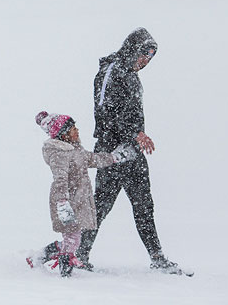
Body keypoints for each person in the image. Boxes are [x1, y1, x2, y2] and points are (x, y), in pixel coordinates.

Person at [75, 27, 182, 273]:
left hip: (132, 153)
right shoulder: (110, 71)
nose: (146, 61)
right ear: (131, 49)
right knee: (100, 205)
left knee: (144, 205)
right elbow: (105, 113)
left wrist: (136, 137)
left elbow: (129, 114)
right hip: (111, 153)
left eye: (150, 57)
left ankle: (157, 257)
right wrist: (134, 133)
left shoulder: (132, 74)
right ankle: (79, 255)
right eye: (143, 54)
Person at [27, 111, 136, 277]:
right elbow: (60, 180)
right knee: (72, 239)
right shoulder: (59, 153)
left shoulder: (76, 150)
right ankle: (66, 273)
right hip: (67, 201)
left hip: (78, 199)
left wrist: (114, 158)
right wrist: (63, 203)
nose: (77, 131)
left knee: (72, 238)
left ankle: (40, 256)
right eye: (72, 129)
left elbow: (93, 159)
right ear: (63, 134)